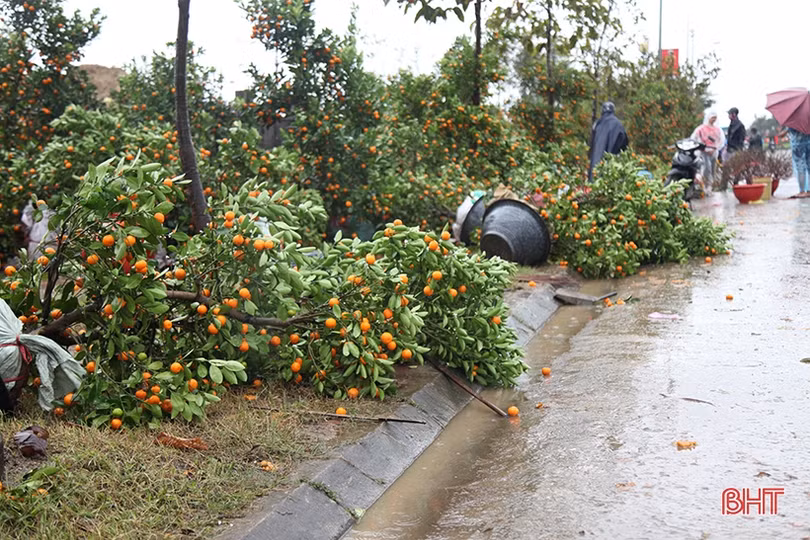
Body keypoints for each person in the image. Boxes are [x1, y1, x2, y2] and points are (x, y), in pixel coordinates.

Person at [588, 101, 628, 182]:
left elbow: (591, 144)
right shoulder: (618, 124)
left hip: (595, 166)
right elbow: (624, 144)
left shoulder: (597, 124)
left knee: (593, 184)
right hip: (611, 165)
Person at [690, 110, 725, 191]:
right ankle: (705, 185)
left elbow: (721, 140)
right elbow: (695, 138)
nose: (714, 119)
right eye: (712, 118)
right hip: (704, 152)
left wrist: (715, 147)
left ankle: (710, 186)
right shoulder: (701, 129)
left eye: (715, 118)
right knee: (706, 168)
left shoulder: (717, 129)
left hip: (713, 152)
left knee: (713, 169)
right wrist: (702, 147)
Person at [779, 126, 810, 197]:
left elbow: (781, 135)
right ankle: (809, 190)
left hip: (798, 146)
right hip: (809, 145)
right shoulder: (808, 122)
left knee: (800, 168)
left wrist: (784, 131)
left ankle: (802, 191)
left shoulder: (794, 123)